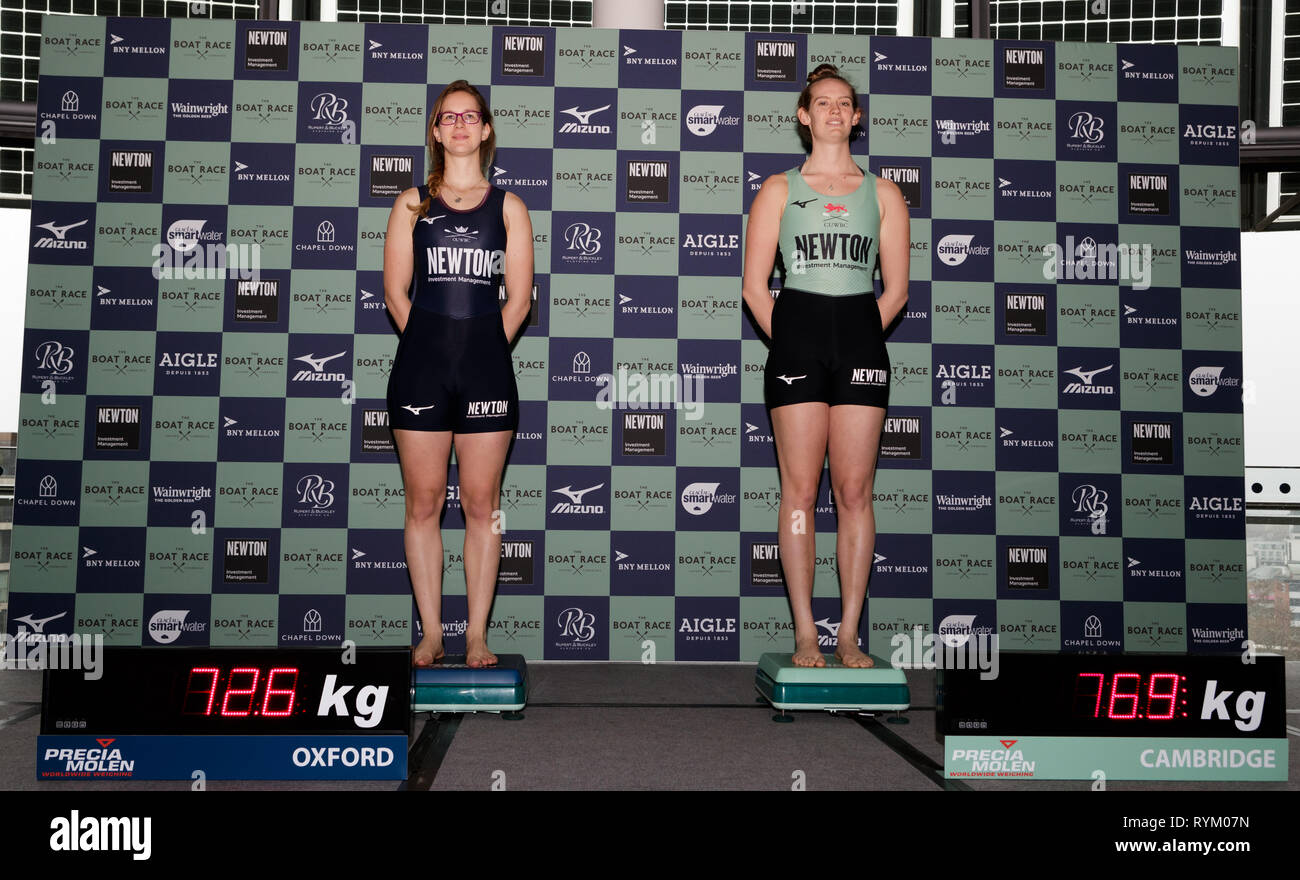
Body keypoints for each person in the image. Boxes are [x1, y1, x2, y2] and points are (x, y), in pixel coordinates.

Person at [742, 64, 910, 669]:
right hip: (798, 345)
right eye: (823, 103)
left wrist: (860, 334)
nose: (835, 111)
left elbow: (895, 292)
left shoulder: (885, 193)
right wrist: (790, 339)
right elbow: (756, 288)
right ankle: (807, 633)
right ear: (804, 116)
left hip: (861, 346)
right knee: (799, 492)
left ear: (856, 117)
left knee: (855, 491)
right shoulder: (779, 190)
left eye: (845, 103)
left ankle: (848, 634)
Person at [383, 81, 534, 668]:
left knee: (481, 503)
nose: (462, 125)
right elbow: (396, 293)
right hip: (421, 370)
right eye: (451, 117)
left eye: (472, 116)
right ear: (437, 131)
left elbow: (518, 301)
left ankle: (475, 635)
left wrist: (478, 350)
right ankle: (431, 633)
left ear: (486, 129)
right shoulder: (411, 203)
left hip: (486, 373)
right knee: (422, 505)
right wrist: (428, 341)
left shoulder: (510, 207)